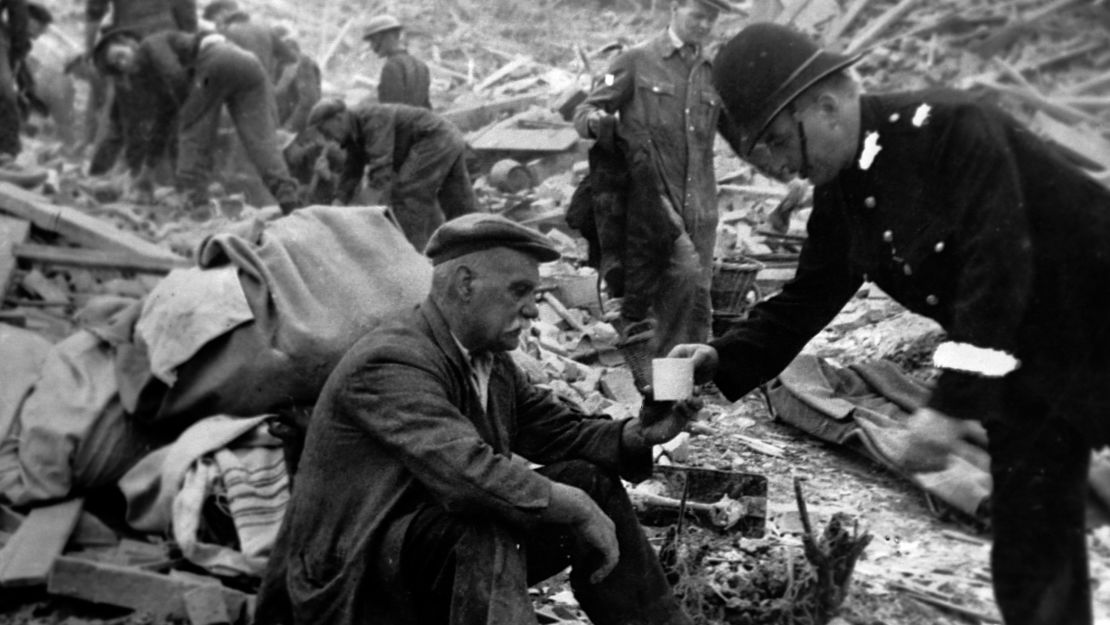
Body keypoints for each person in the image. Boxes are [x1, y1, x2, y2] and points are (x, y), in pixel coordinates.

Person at [671, 22, 1110, 625]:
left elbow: (999, 265)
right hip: (1029, 365)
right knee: (1033, 545)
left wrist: (951, 404)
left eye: (775, 142)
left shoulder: (952, 128)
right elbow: (810, 295)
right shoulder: (844, 190)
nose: (774, 167)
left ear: (825, 105)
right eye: (759, 154)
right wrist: (722, 355)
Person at [256, 213, 698, 625]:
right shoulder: (392, 360)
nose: (531, 310)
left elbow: (560, 432)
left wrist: (641, 435)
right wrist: (576, 509)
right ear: (465, 284)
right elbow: (466, 476)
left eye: (534, 295)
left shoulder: (490, 362)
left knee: (590, 482)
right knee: (489, 520)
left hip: (424, 556)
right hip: (354, 573)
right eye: (519, 291)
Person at [572, 0, 736, 360]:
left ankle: (690, 391)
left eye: (712, 18)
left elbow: (737, 133)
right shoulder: (633, 61)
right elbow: (584, 111)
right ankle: (665, 389)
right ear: (676, 8)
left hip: (701, 206)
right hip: (651, 201)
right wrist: (600, 123)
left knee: (697, 296)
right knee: (683, 275)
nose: (705, 25)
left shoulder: (713, 71)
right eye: (698, 15)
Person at [96, 29, 303, 216]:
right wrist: (147, 170)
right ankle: (288, 200)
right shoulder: (153, 79)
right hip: (247, 63)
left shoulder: (150, 43)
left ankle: (195, 199)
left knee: (191, 126)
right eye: (117, 67)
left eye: (120, 56)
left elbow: (175, 76)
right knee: (260, 140)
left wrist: (188, 110)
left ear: (130, 43)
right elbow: (163, 121)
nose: (123, 64)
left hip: (216, 58)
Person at [306, 98, 478, 249]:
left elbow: (381, 170)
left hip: (434, 138)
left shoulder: (372, 118)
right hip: (446, 137)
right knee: (458, 201)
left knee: (407, 193)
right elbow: (351, 172)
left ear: (339, 118)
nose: (328, 138)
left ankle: (412, 256)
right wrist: (337, 205)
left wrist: (363, 214)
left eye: (327, 131)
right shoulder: (353, 132)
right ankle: (479, 242)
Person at [83, 0, 197, 175]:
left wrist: (89, 50)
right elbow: (187, 13)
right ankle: (166, 178)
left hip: (129, 42)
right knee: (170, 114)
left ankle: (108, 172)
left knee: (126, 117)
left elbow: (95, 10)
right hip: (166, 42)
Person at [202, 0, 297, 85]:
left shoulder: (225, 32)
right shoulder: (262, 24)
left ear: (221, 14)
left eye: (214, 21)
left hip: (238, 90)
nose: (216, 25)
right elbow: (291, 58)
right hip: (263, 90)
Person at [363, 14, 430, 109]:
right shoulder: (421, 65)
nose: (372, 47)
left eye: (373, 40)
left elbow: (391, 110)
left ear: (386, 37)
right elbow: (426, 107)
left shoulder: (392, 66)